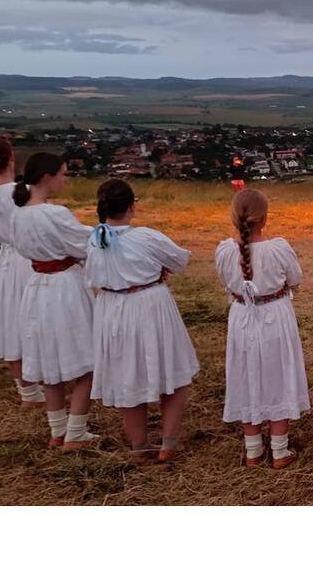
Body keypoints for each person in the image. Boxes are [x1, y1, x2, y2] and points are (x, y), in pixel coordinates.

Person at [85, 180, 199, 462]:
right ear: (131, 206)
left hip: (112, 310)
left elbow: (93, 275)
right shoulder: (146, 237)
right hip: (149, 305)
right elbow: (179, 261)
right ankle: (168, 443)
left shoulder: (94, 240)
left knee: (128, 375)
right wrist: (156, 270)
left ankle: (140, 445)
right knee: (172, 370)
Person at [10, 152, 99, 448]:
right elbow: (85, 243)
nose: (65, 179)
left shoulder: (18, 214)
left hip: (37, 288)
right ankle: (75, 431)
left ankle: (58, 430)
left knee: (50, 362)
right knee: (88, 360)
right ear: (47, 177)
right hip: (64, 289)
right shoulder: (54, 213)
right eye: (63, 174)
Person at [216, 189, 310, 469]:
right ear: (265, 218)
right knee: (277, 374)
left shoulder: (225, 252)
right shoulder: (278, 249)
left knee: (246, 374)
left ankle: (253, 449)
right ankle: (279, 450)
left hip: (242, 316)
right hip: (274, 315)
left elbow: (225, 281)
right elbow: (295, 278)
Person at [0, 136, 42, 408]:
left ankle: (27, 391)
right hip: (25, 259)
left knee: (11, 321)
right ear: (12, 157)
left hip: (3, 261)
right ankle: (40, 384)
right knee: (33, 319)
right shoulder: (22, 191)